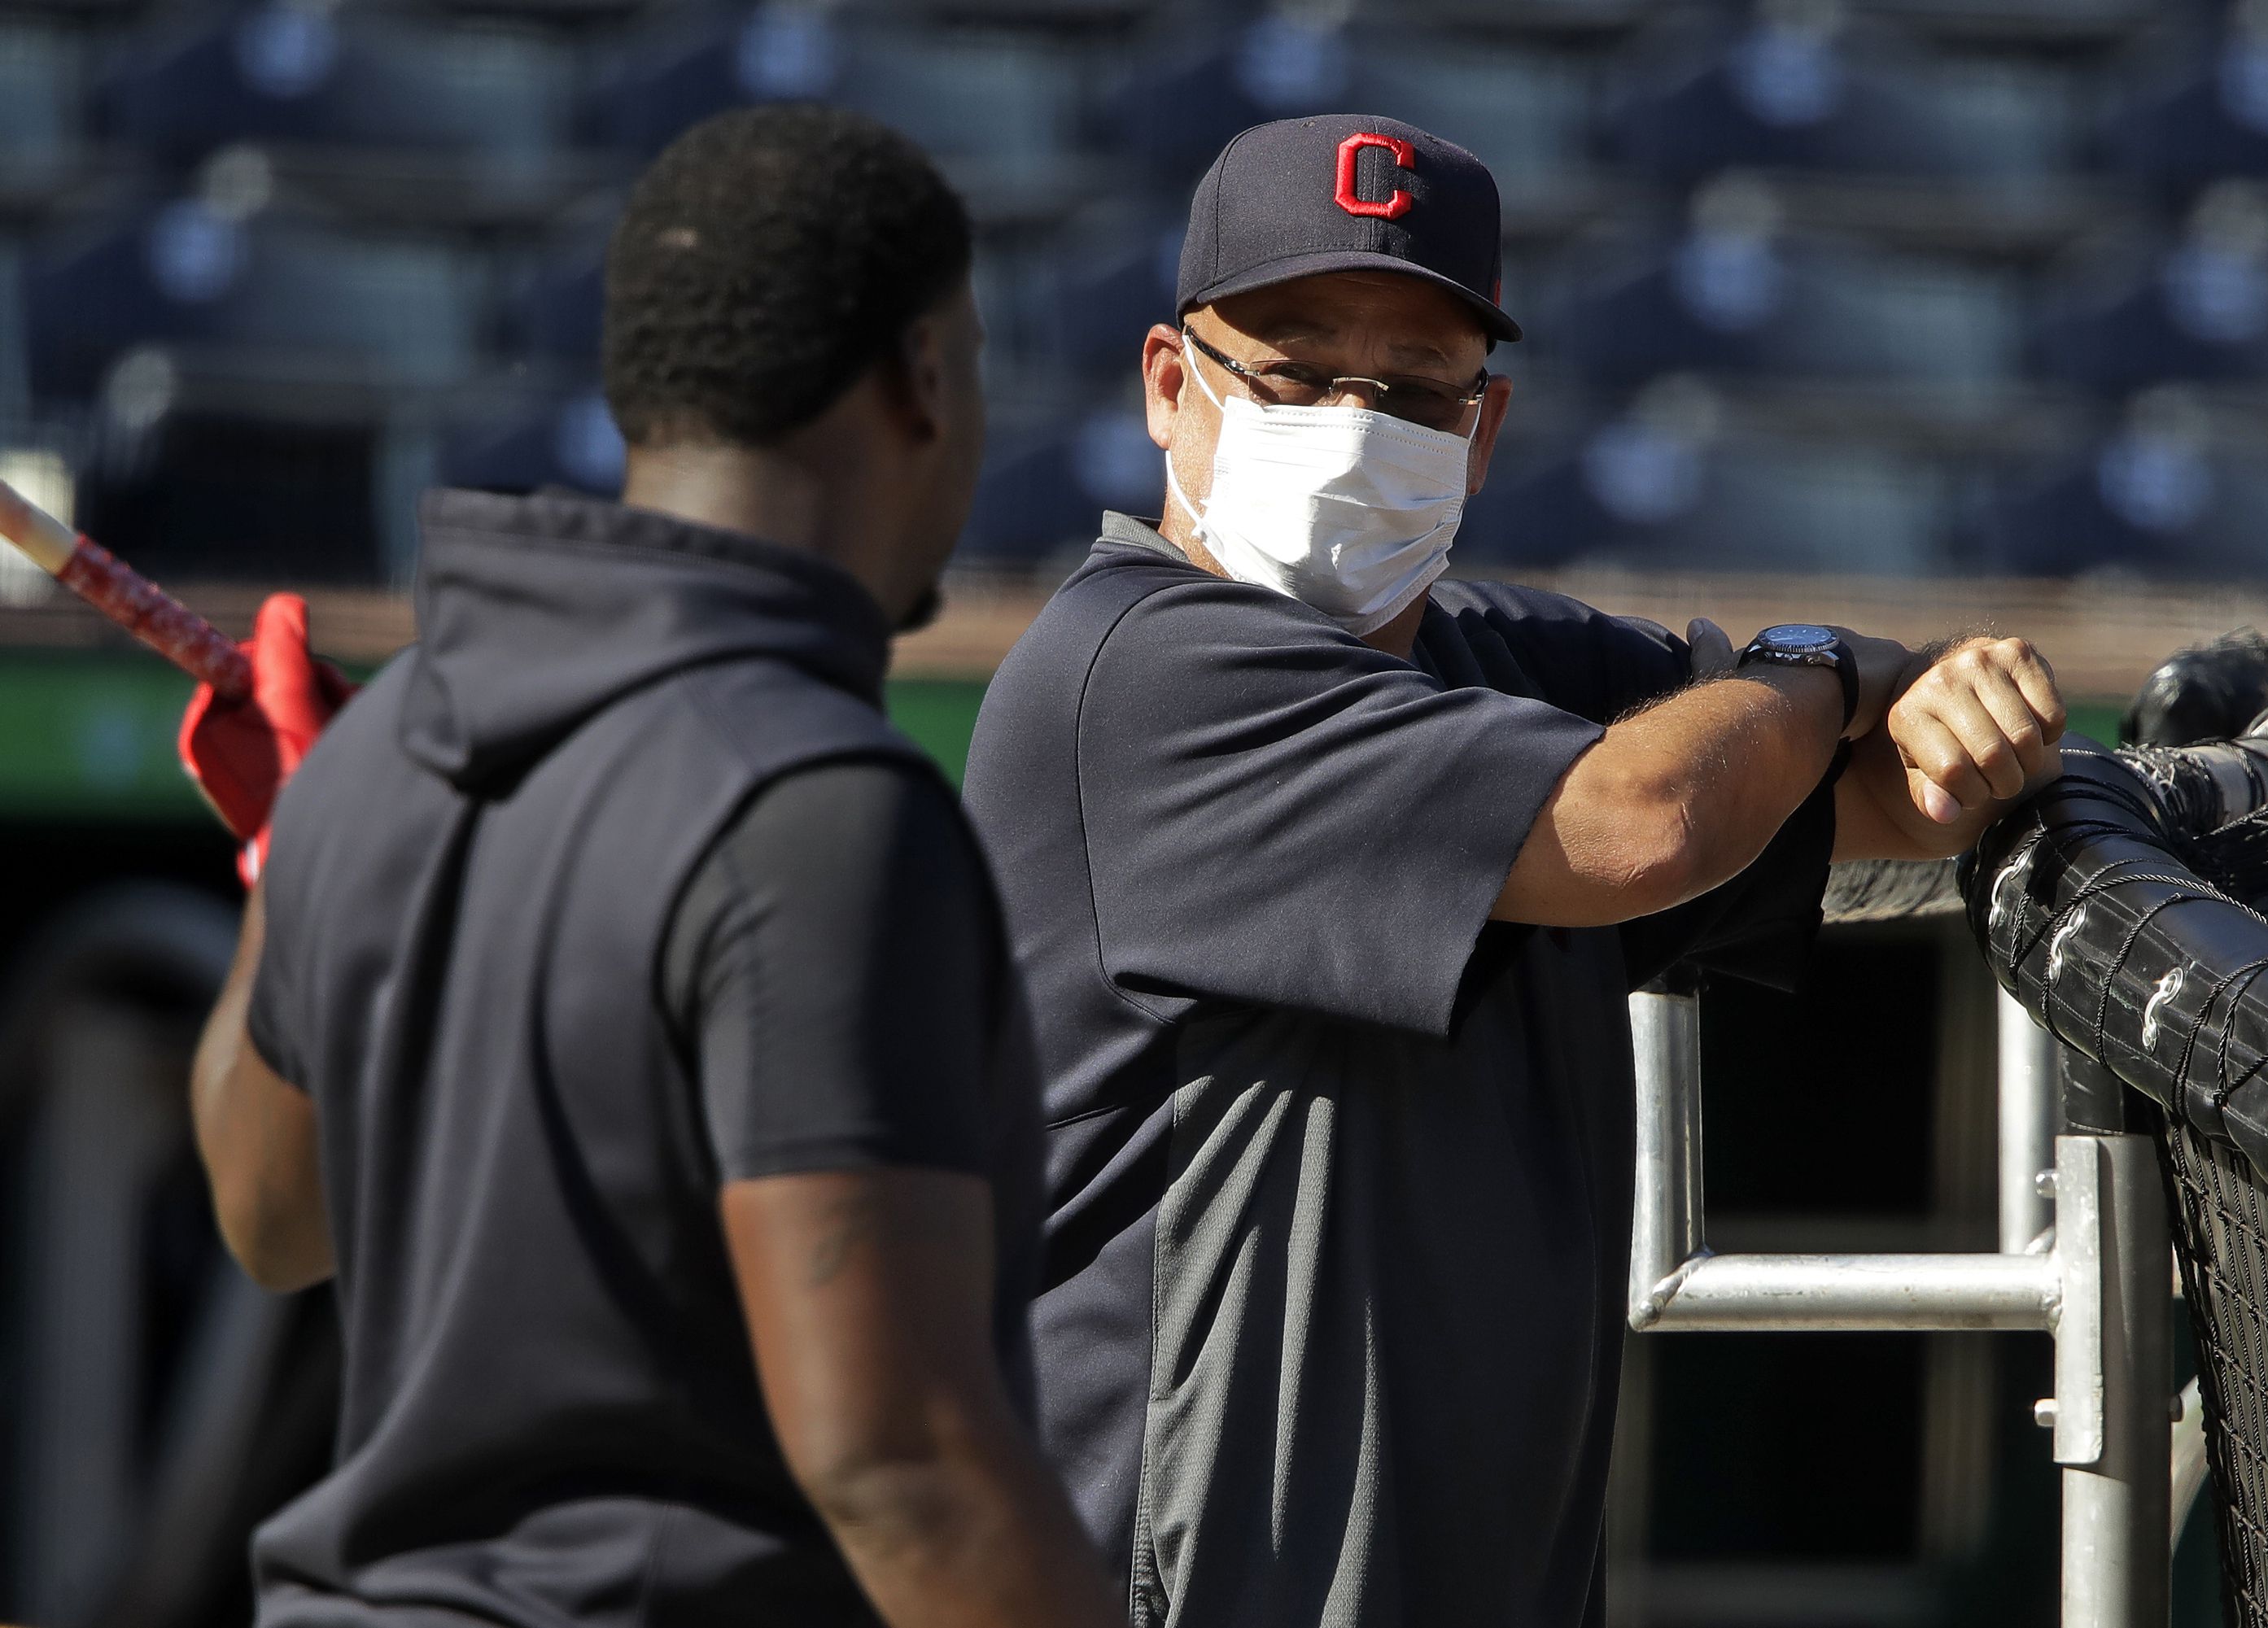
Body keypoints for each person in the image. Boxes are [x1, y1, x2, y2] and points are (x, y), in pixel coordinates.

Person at [961, 114, 2068, 1626]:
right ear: (1172, 385)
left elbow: (1881, 799)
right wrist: (1832, 665)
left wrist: (1947, 713)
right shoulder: (1133, 674)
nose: (1356, 419)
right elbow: (1649, 821)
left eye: (1415, 384)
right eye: (1294, 368)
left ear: (1481, 430)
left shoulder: (1496, 659)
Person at [182, 107, 1121, 1628]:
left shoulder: (381, 752)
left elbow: (266, 1215)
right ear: (925, 379)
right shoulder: (821, 809)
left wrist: (296, 866)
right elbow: (900, 1463)